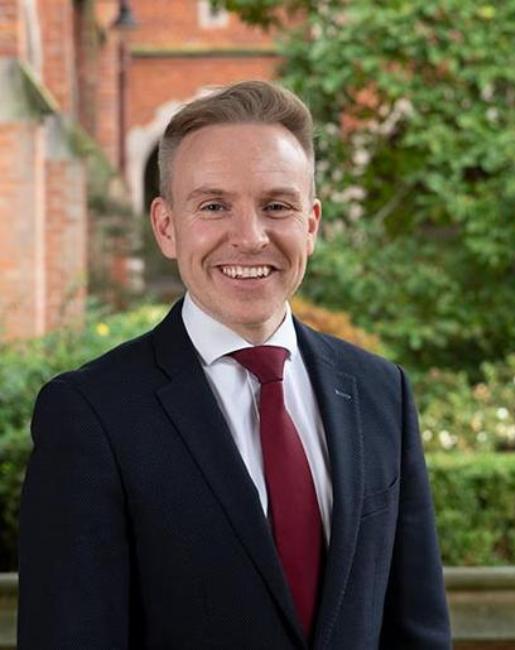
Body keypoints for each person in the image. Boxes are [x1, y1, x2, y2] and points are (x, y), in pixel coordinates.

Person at [17, 80, 451, 649]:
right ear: (167, 225)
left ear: (312, 223)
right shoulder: (91, 414)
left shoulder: (380, 391)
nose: (249, 237)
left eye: (277, 205)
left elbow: (417, 631)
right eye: (214, 206)